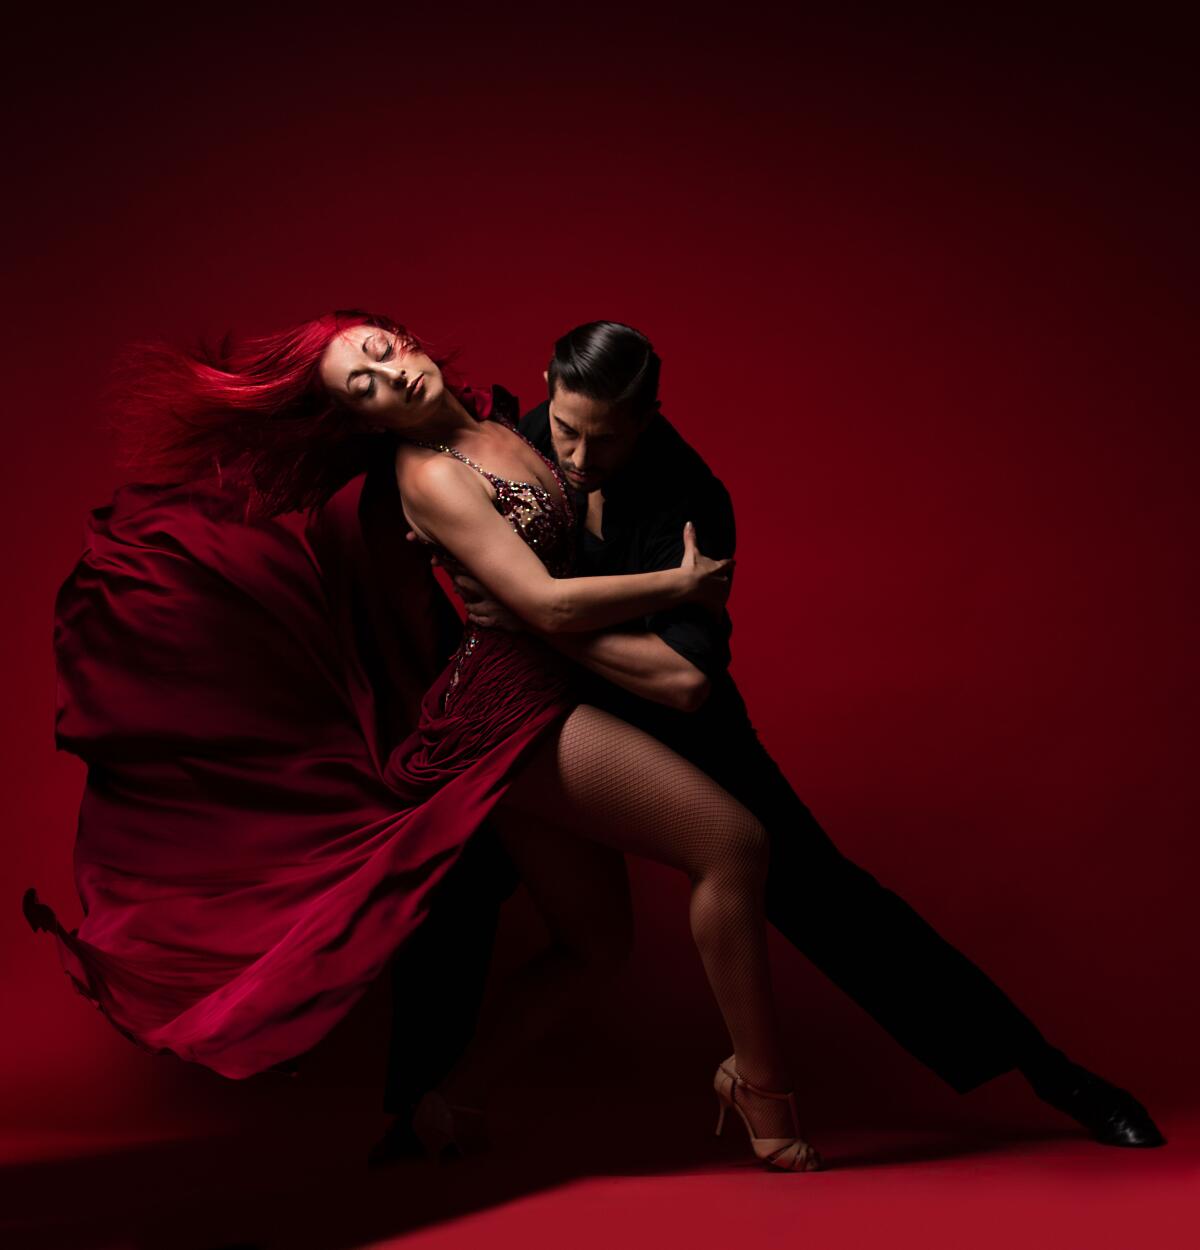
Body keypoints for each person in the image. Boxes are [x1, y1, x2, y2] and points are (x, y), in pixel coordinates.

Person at [24, 309, 823, 1173]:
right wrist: (682, 583)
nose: (386, 376)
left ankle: (451, 1102)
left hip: (538, 690)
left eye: (378, 352)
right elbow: (548, 605)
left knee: (594, 950)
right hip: (510, 714)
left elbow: (575, 518)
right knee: (734, 844)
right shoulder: (431, 477)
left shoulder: (501, 422)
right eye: (360, 388)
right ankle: (762, 1090)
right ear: (363, 421)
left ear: (402, 337)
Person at [402, 319, 1165, 1154]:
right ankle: (419, 1108)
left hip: (676, 724)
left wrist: (529, 611)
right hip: (540, 718)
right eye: (567, 427)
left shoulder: (689, 498)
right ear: (547, 381)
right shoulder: (507, 437)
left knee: (832, 900)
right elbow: (421, 470)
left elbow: (684, 681)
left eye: (607, 439)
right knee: (452, 882)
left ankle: (1052, 1074)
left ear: (652, 414)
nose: (580, 457)